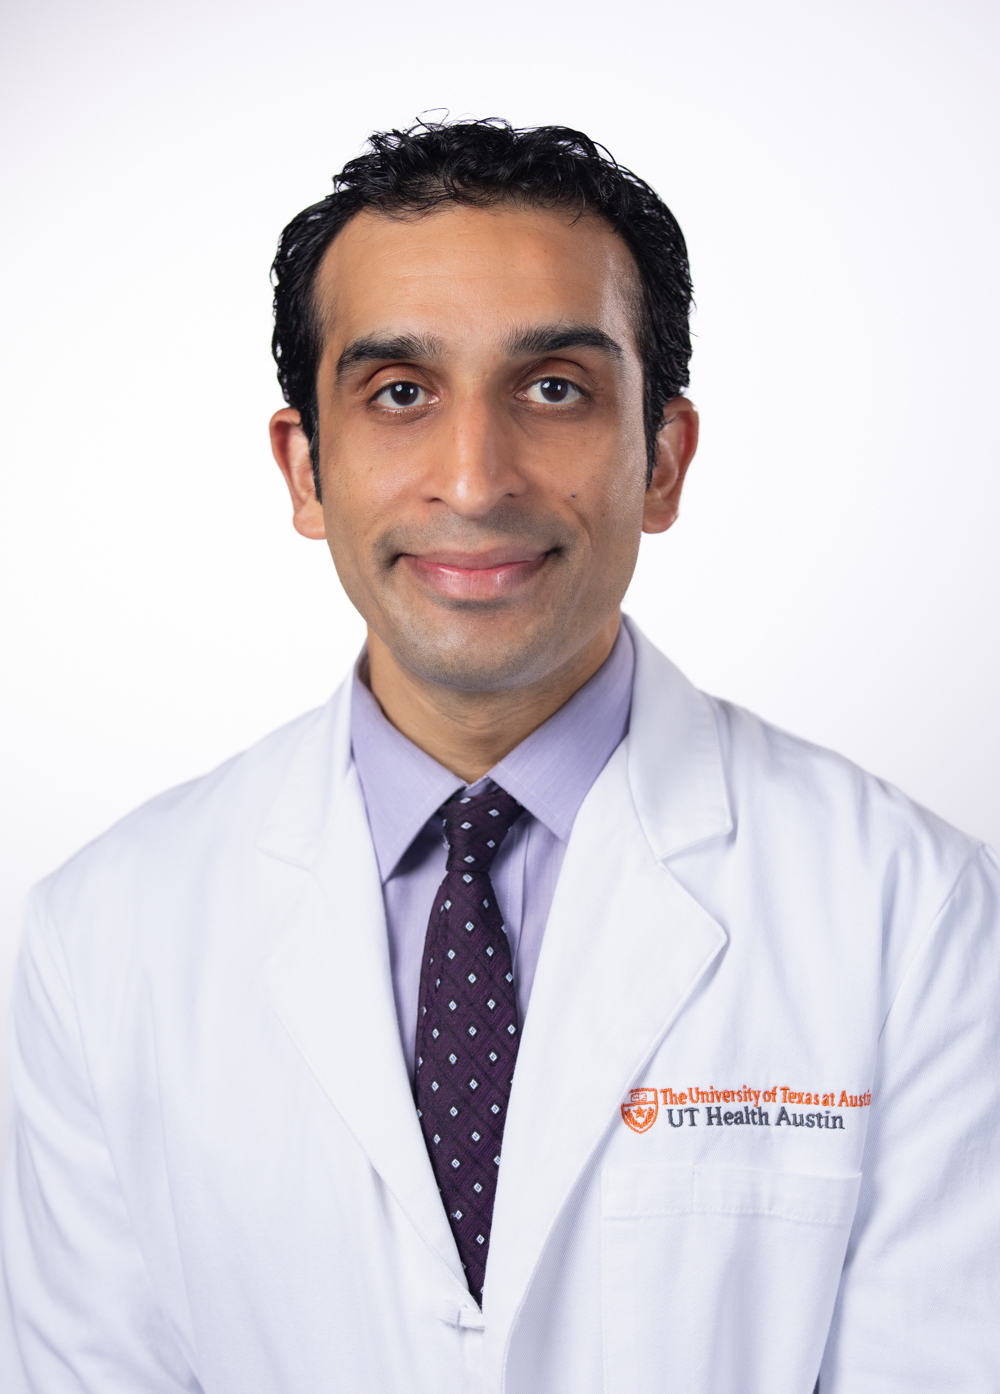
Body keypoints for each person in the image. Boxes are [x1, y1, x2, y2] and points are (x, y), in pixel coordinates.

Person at [1, 118, 997, 1394]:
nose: (474, 479)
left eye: (554, 388)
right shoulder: (106, 933)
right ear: (306, 468)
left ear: (664, 459)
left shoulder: (912, 912)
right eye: (400, 394)